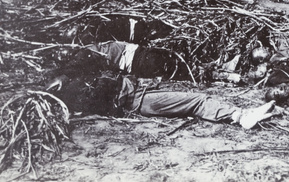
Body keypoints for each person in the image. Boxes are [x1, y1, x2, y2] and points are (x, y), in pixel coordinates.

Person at [46, 72, 276, 129]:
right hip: (140, 99)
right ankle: (241, 116)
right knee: (197, 100)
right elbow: (109, 105)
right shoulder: (80, 97)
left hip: (142, 93)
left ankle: (240, 114)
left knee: (191, 97)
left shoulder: (74, 89)